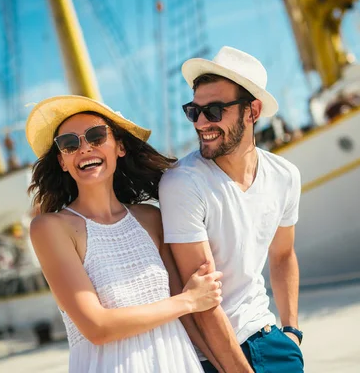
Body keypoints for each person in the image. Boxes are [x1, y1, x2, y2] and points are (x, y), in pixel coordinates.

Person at [25, 95, 223, 373]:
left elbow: (189, 320)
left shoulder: (150, 218)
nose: (84, 148)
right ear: (62, 161)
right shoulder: (51, 228)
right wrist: (188, 301)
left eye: (95, 136)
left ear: (119, 146)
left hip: (178, 361)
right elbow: (97, 327)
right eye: (69, 144)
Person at [159, 46, 304, 372]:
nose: (201, 123)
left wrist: (291, 330)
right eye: (193, 111)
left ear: (252, 111)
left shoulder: (284, 176)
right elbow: (204, 302)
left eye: (213, 110)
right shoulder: (183, 183)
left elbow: (283, 255)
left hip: (271, 341)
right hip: (212, 358)